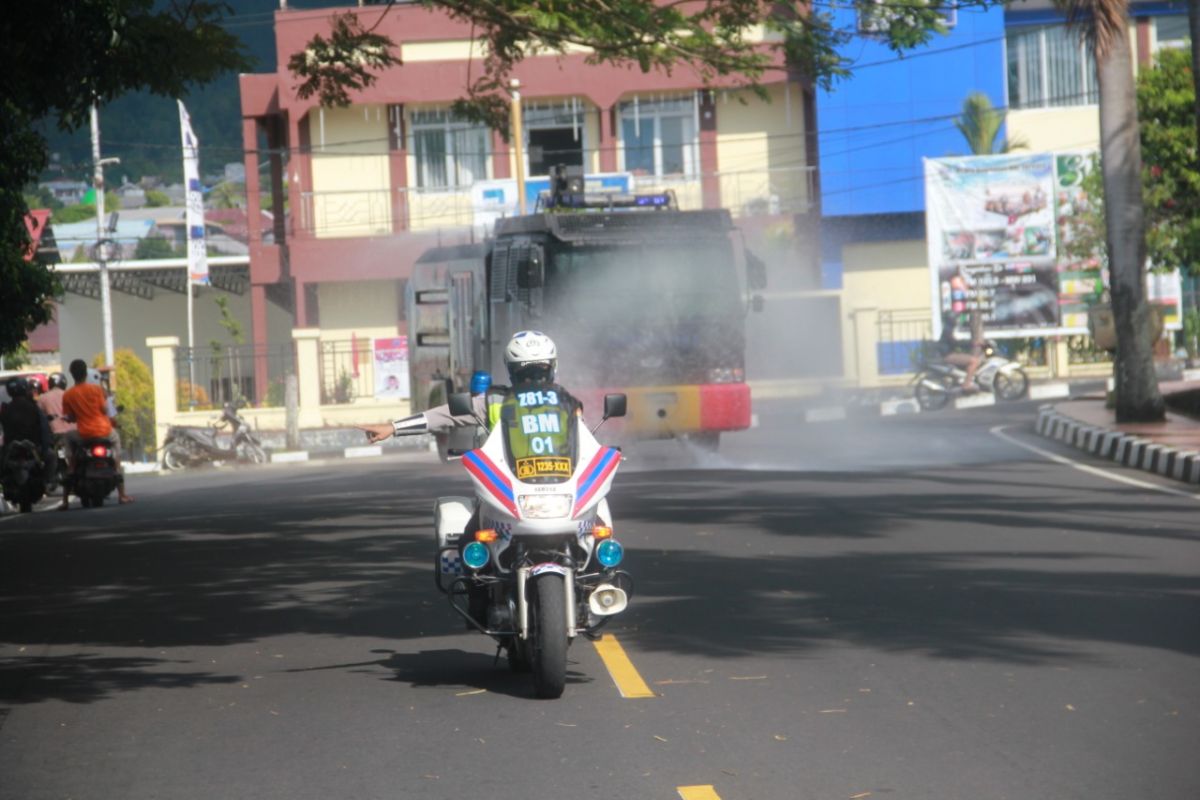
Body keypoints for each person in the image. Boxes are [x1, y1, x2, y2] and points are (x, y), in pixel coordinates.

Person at [61, 359, 133, 507]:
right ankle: (122, 494)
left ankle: (66, 493)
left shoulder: (68, 395)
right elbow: (106, 410)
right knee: (116, 452)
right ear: (86, 372)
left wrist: (70, 418)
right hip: (105, 431)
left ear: (71, 375)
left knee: (67, 437)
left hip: (84, 435)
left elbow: (71, 417)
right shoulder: (97, 390)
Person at [0, 377, 54, 488]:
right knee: (51, 456)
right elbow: (44, 428)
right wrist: (45, 446)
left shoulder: (6, 408)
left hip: (13, 448)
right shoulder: (33, 406)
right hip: (31, 447)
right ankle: (48, 481)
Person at [938, 312, 983, 392]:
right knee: (974, 361)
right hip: (948, 355)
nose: (957, 320)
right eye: (956, 318)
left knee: (970, 358)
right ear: (951, 319)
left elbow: (955, 343)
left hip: (949, 353)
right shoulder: (948, 330)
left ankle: (965, 379)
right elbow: (955, 343)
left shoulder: (948, 328)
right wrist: (971, 343)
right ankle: (967, 384)